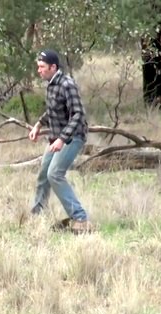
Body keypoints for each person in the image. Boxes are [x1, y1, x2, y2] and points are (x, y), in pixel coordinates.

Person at [28, 49, 93, 233]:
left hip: (73, 137)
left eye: (42, 67)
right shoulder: (50, 84)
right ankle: (38, 214)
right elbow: (53, 110)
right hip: (57, 139)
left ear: (53, 67)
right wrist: (38, 125)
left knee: (54, 174)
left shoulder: (67, 84)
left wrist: (62, 140)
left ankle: (80, 218)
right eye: (38, 67)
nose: (39, 71)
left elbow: (78, 114)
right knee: (43, 174)